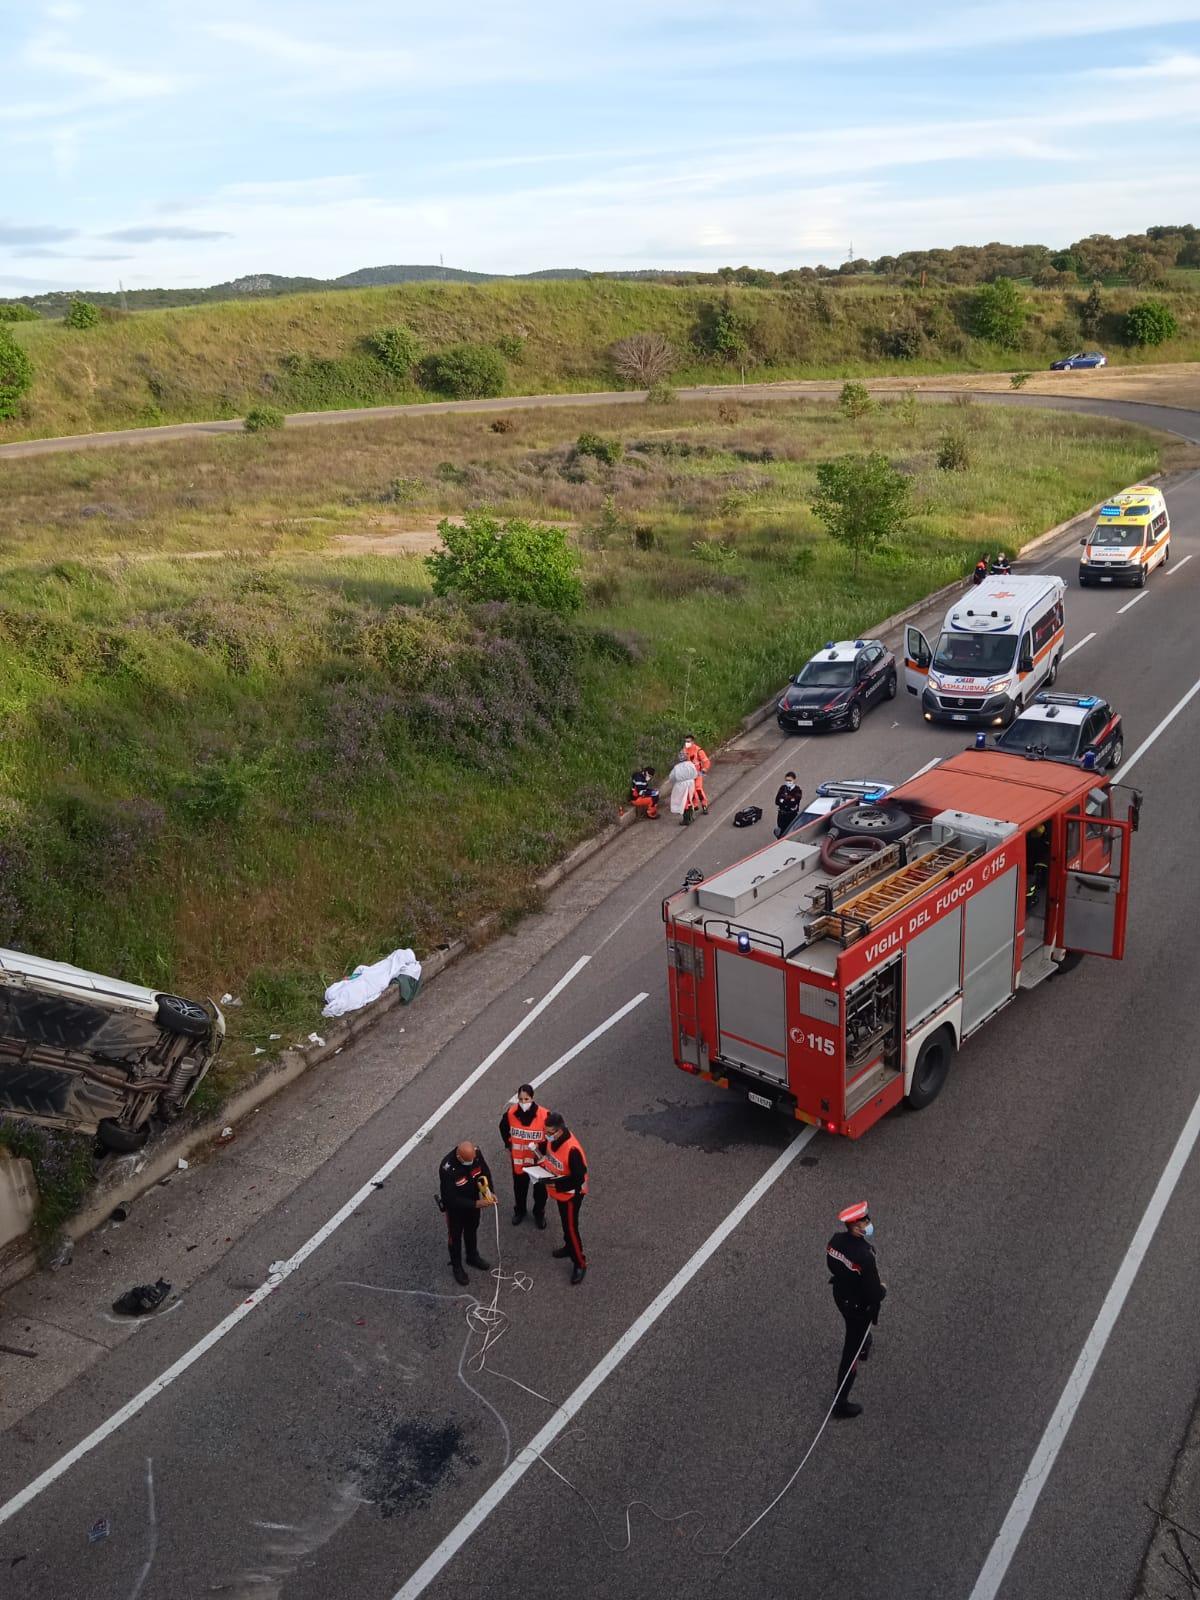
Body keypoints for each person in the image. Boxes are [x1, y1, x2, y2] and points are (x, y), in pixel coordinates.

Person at [826, 1200, 886, 1419]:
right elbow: (873, 1292)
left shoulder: (834, 1242)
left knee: (857, 1333)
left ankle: (865, 1342)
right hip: (859, 1306)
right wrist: (883, 1291)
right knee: (850, 1353)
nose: (868, 1223)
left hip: (841, 1296)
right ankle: (840, 1402)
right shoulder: (865, 1255)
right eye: (864, 1220)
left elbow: (833, 1266)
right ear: (854, 1226)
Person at [537, 1111, 588, 1285]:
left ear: (560, 1130)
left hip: (571, 1194)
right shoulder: (555, 1140)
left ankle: (579, 1262)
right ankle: (568, 1247)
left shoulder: (572, 1149)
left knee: (571, 1228)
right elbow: (549, 1153)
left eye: (550, 1133)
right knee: (566, 1224)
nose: (547, 1136)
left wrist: (556, 1184)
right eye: (546, 1132)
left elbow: (578, 1178)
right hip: (560, 1191)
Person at [439, 1141, 497, 1287]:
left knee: (472, 1228)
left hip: (472, 1201)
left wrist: (489, 1192)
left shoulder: (476, 1155)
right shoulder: (447, 1168)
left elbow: (485, 1174)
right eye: (467, 1161)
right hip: (456, 1210)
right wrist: (476, 1204)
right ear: (458, 1156)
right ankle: (457, 1266)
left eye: (472, 1159)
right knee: (455, 1237)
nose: (470, 1163)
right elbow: (450, 1198)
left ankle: (472, 1256)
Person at [499, 1084, 549, 1228]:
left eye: (526, 1099)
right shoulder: (511, 1113)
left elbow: (552, 1135)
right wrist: (509, 1144)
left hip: (538, 1163)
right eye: (520, 1099)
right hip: (519, 1162)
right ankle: (520, 1211)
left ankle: (539, 1214)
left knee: (540, 1193)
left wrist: (545, 1153)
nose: (523, 1103)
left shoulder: (544, 1115)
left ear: (532, 1098)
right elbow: (503, 1128)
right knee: (519, 1190)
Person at [682, 735, 711, 814]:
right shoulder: (684, 750)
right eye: (686, 741)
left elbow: (706, 761)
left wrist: (704, 770)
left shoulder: (698, 750)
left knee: (698, 789)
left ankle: (704, 805)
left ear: (693, 742)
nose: (686, 743)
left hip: (698, 774)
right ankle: (695, 805)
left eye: (688, 741)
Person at [668, 755, 699, 826]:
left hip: (681, 786)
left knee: (683, 802)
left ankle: (686, 820)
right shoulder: (691, 764)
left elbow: (672, 778)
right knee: (689, 800)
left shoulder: (677, 767)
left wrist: (675, 783)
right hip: (691, 784)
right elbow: (695, 774)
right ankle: (690, 817)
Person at [774, 772, 804, 837]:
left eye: (790, 780)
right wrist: (789, 799)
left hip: (791, 815)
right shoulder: (782, 788)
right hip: (781, 815)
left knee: (790, 832)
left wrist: (783, 799)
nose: (788, 782)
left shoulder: (797, 790)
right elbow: (777, 801)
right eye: (786, 780)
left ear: (794, 780)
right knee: (780, 832)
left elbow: (794, 802)